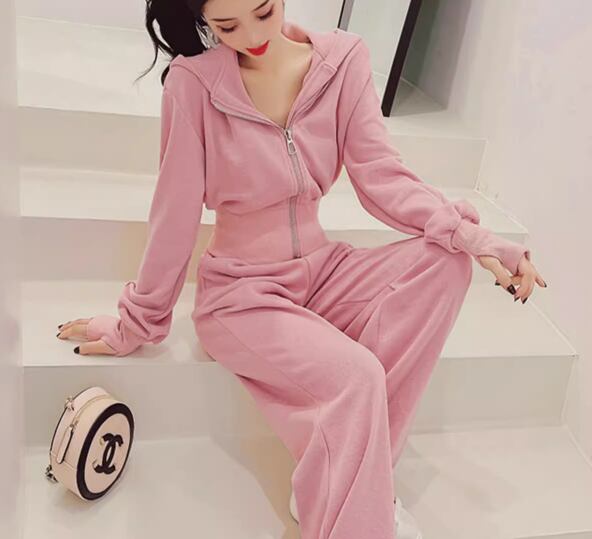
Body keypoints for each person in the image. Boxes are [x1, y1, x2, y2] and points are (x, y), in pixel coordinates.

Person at [56, 1, 547, 538]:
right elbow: (174, 213)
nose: (250, 34)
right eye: (226, 26)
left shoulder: (342, 61)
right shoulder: (192, 85)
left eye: (262, 11)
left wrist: (474, 239)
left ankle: (341, 476)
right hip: (242, 295)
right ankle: (357, 505)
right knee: (358, 376)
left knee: (445, 263)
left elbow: (380, 174)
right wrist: (137, 322)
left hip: (323, 272)